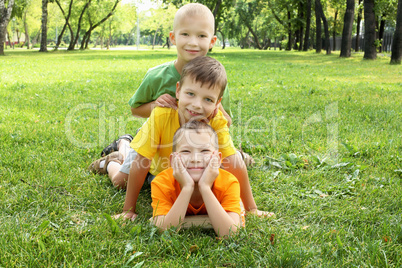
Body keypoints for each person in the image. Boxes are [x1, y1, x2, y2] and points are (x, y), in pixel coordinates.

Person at [105, 56, 274, 221]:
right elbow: (142, 162)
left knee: (199, 185)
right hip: (158, 168)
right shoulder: (161, 115)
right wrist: (128, 210)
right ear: (178, 90)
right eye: (190, 94)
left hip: (191, 167)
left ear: (217, 103)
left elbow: (233, 162)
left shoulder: (216, 119)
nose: (197, 105)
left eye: (208, 99)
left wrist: (251, 208)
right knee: (121, 181)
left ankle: (125, 145)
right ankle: (115, 156)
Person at [151, 121, 241, 237]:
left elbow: (231, 233)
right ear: (173, 160)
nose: (195, 159)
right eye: (185, 151)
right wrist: (187, 188)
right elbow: (165, 231)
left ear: (218, 159)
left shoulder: (229, 182)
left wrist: (205, 187)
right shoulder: (162, 182)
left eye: (204, 151)